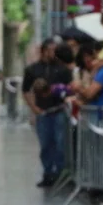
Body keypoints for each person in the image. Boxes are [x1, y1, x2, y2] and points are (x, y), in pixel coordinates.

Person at [22, 39, 72, 188]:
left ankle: (60, 173)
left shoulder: (62, 69)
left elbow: (70, 87)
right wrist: (34, 108)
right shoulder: (32, 70)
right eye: (51, 50)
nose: (54, 53)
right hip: (43, 112)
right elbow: (25, 90)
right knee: (45, 144)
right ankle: (48, 172)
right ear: (44, 51)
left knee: (60, 143)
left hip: (59, 110)